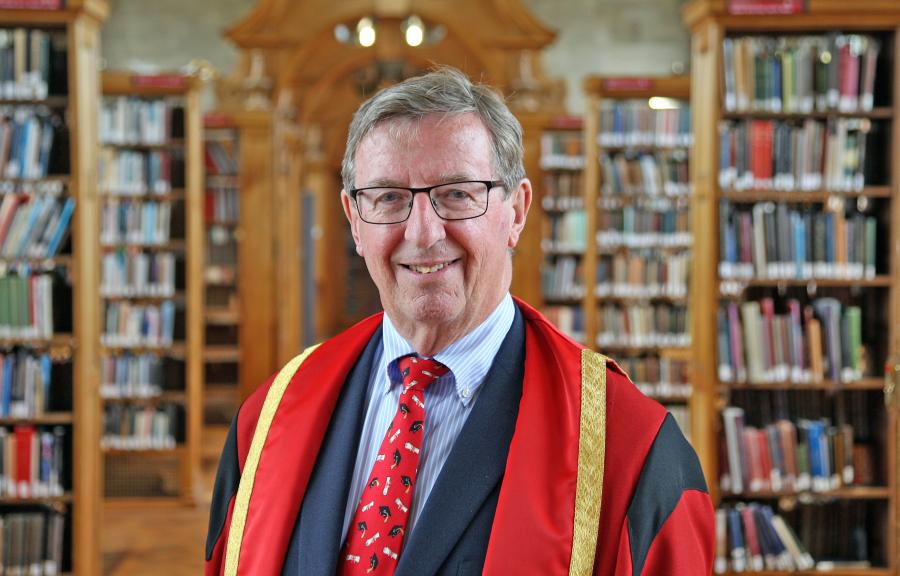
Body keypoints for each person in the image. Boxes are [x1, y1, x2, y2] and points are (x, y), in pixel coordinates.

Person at [205, 67, 714, 576]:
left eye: (458, 194)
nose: (424, 234)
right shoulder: (269, 418)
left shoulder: (632, 451)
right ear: (354, 220)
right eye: (388, 198)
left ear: (516, 210)